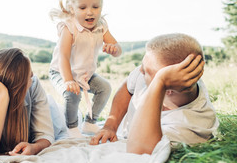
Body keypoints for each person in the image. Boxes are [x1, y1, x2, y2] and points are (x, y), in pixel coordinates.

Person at [90, 33, 219, 154]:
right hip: (119, 132)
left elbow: (139, 150)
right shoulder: (151, 70)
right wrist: (110, 126)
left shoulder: (192, 126)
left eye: (146, 71)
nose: (140, 70)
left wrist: (160, 82)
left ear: (170, 86)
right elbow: (128, 86)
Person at [49, 0, 122, 138]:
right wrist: (68, 80)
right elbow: (63, 56)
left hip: (85, 74)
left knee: (105, 88)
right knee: (72, 93)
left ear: (102, 6)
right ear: (72, 8)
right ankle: (72, 127)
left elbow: (118, 48)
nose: (90, 12)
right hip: (61, 71)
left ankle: (90, 123)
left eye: (95, 6)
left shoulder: (101, 26)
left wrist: (114, 49)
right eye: (82, 7)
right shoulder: (69, 28)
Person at [0, 48, 67, 159]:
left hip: (52, 114)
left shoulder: (33, 85)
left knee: (62, 120)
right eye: (29, 76)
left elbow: (46, 135)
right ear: (16, 89)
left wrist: (34, 147)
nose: (33, 78)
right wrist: (3, 97)